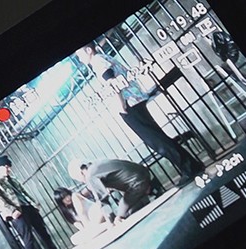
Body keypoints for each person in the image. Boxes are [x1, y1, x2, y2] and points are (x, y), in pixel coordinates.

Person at [76, 45, 204, 185]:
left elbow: (112, 83)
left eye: (80, 55)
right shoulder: (105, 58)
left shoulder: (97, 61)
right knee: (158, 138)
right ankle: (192, 165)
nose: (80, 59)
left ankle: (190, 168)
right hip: (135, 99)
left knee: (157, 141)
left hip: (129, 104)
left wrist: (121, 106)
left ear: (88, 50)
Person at [0, 155, 61, 249]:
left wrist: (34, 204)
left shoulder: (12, 179)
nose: (8, 169)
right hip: (16, 212)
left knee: (43, 231)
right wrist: (12, 211)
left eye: (9, 167)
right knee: (27, 238)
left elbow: (24, 193)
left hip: (27, 207)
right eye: (6, 167)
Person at [68, 159, 152, 225]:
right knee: (128, 206)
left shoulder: (90, 175)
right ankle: (145, 191)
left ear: (80, 173)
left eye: (78, 179)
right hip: (143, 173)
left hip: (137, 183)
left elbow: (102, 200)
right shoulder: (97, 164)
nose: (82, 182)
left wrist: (111, 221)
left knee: (122, 215)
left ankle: (144, 191)